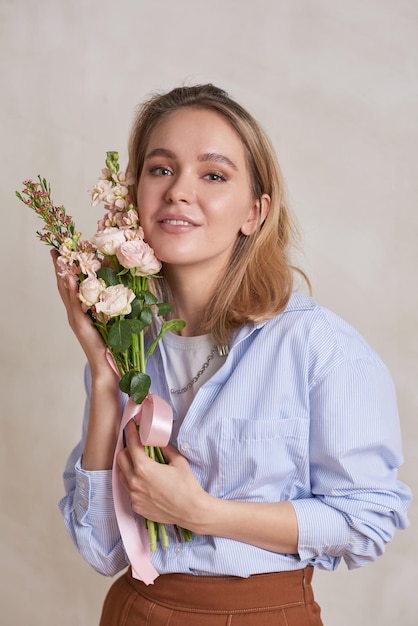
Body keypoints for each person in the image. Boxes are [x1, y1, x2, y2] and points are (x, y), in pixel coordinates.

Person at [55, 84, 411, 625]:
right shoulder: (128, 348)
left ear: (255, 211)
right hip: (132, 611)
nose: (178, 191)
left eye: (214, 175)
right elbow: (104, 549)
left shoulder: (321, 349)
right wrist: (105, 383)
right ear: (133, 196)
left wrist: (202, 513)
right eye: (160, 168)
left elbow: (367, 522)